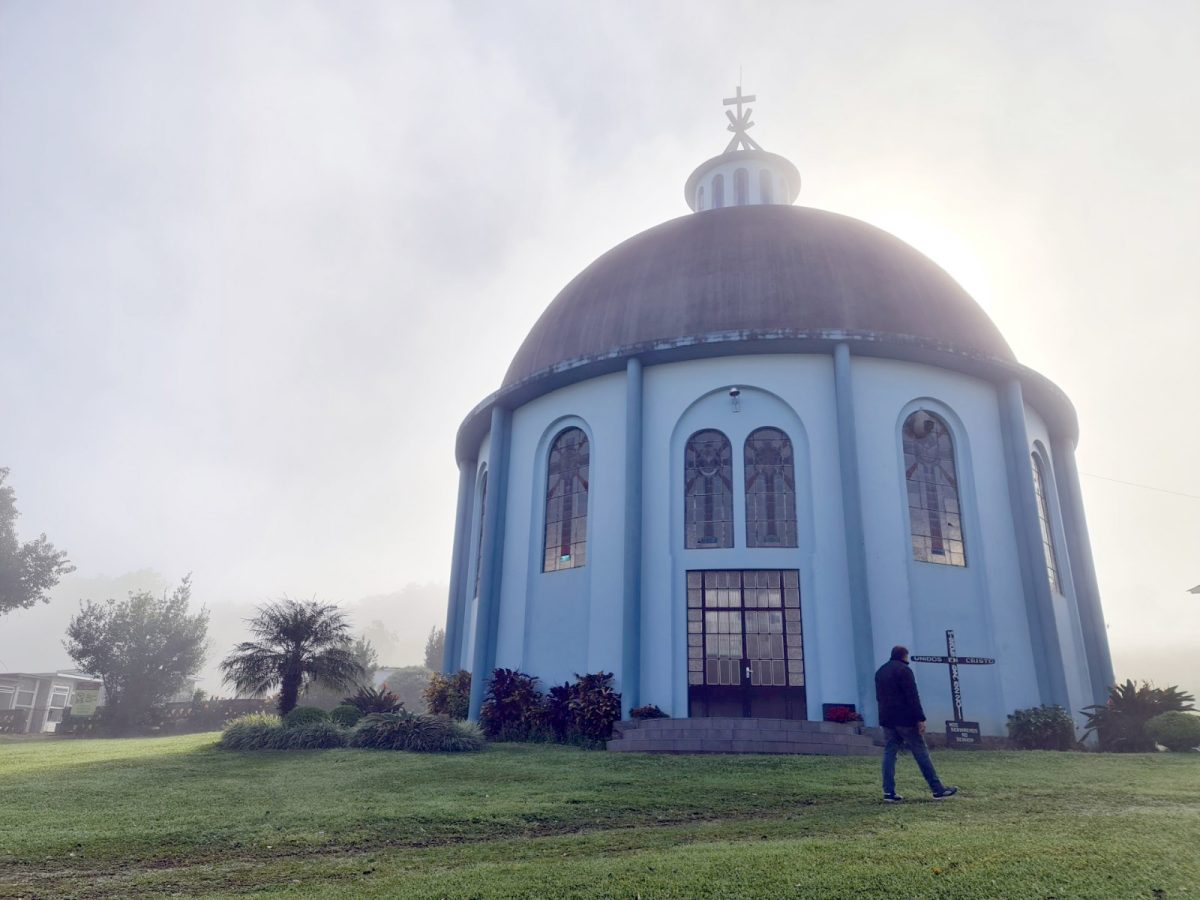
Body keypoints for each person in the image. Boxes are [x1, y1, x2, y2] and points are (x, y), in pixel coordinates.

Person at [875, 644, 958, 802]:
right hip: (905, 719)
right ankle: (937, 789)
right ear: (905, 656)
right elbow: (912, 696)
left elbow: (880, 697)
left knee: (889, 753)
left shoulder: (880, 671)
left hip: (887, 719)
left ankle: (888, 792)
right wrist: (920, 718)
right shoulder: (904, 670)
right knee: (921, 752)